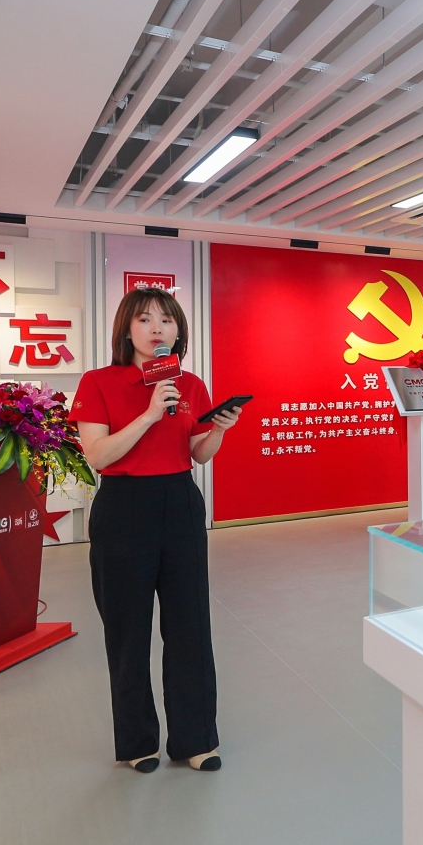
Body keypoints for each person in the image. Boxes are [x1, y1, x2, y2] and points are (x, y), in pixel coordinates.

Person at [72, 287, 244, 774]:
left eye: (167, 321)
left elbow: (198, 454)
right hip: (123, 507)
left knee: (191, 626)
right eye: (146, 320)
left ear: (178, 331)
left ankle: (196, 739)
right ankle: (137, 742)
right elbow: (98, 456)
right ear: (127, 329)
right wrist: (149, 414)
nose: (157, 329)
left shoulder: (189, 384)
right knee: (127, 630)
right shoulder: (98, 382)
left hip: (180, 502)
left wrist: (219, 428)